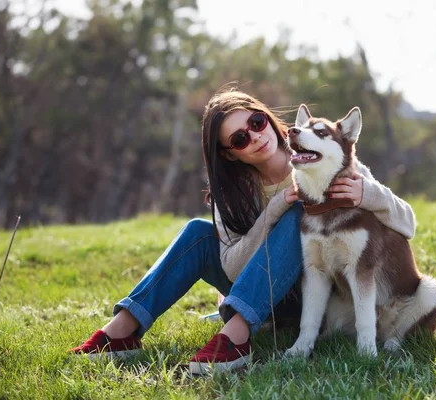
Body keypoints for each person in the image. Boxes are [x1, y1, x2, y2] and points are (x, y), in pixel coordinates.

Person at [70, 88, 417, 375]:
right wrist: (276, 205)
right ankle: (121, 333)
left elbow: (408, 223)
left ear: (267, 117)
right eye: (239, 138)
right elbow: (232, 268)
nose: (255, 136)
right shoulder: (231, 194)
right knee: (196, 233)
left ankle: (234, 340)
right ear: (230, 154)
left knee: (300, 212)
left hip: (311, 295)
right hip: (256, 291)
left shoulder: (329, 161)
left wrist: (368, 194)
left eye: (256, 122)